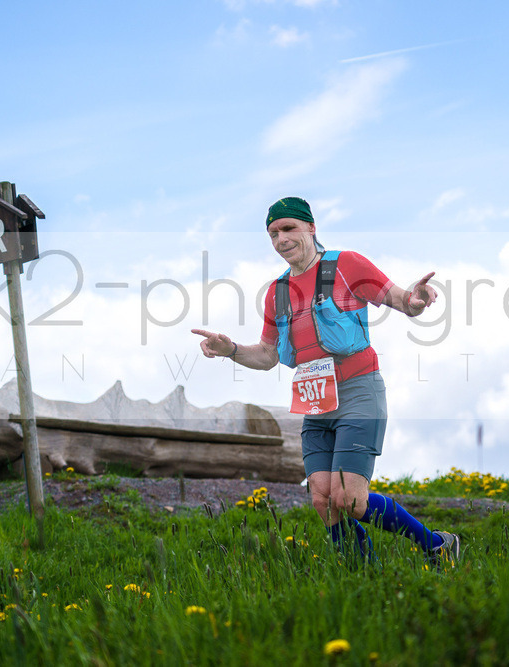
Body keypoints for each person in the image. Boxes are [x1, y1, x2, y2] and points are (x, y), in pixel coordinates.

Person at [192, 196, 460, 566]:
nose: (281, 239)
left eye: (288, 228)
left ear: (311, 227)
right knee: (322, 498)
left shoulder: (347, 265)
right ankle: (364, 575)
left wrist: (416, 300)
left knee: (350, 499)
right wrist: (231, 349)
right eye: (272, 233)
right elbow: (269, 355)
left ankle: (437, 545)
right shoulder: (277, 292)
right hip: (315, 402)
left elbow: (401, 300)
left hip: (358, 391)